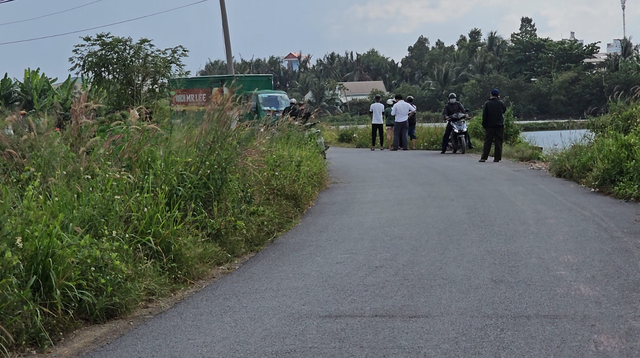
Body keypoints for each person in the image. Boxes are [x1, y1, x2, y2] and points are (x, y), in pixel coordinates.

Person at [479, 89, 507, 162]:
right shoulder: (501, 103)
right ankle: (497, 158)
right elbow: (504, 110)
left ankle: (484, 157)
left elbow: (484, 115)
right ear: (498, 95)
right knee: (498, 142)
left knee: (488, 142)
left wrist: (484, 125)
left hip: (489, 126)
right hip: (499, 126)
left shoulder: (487, 103)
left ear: (491, 94)